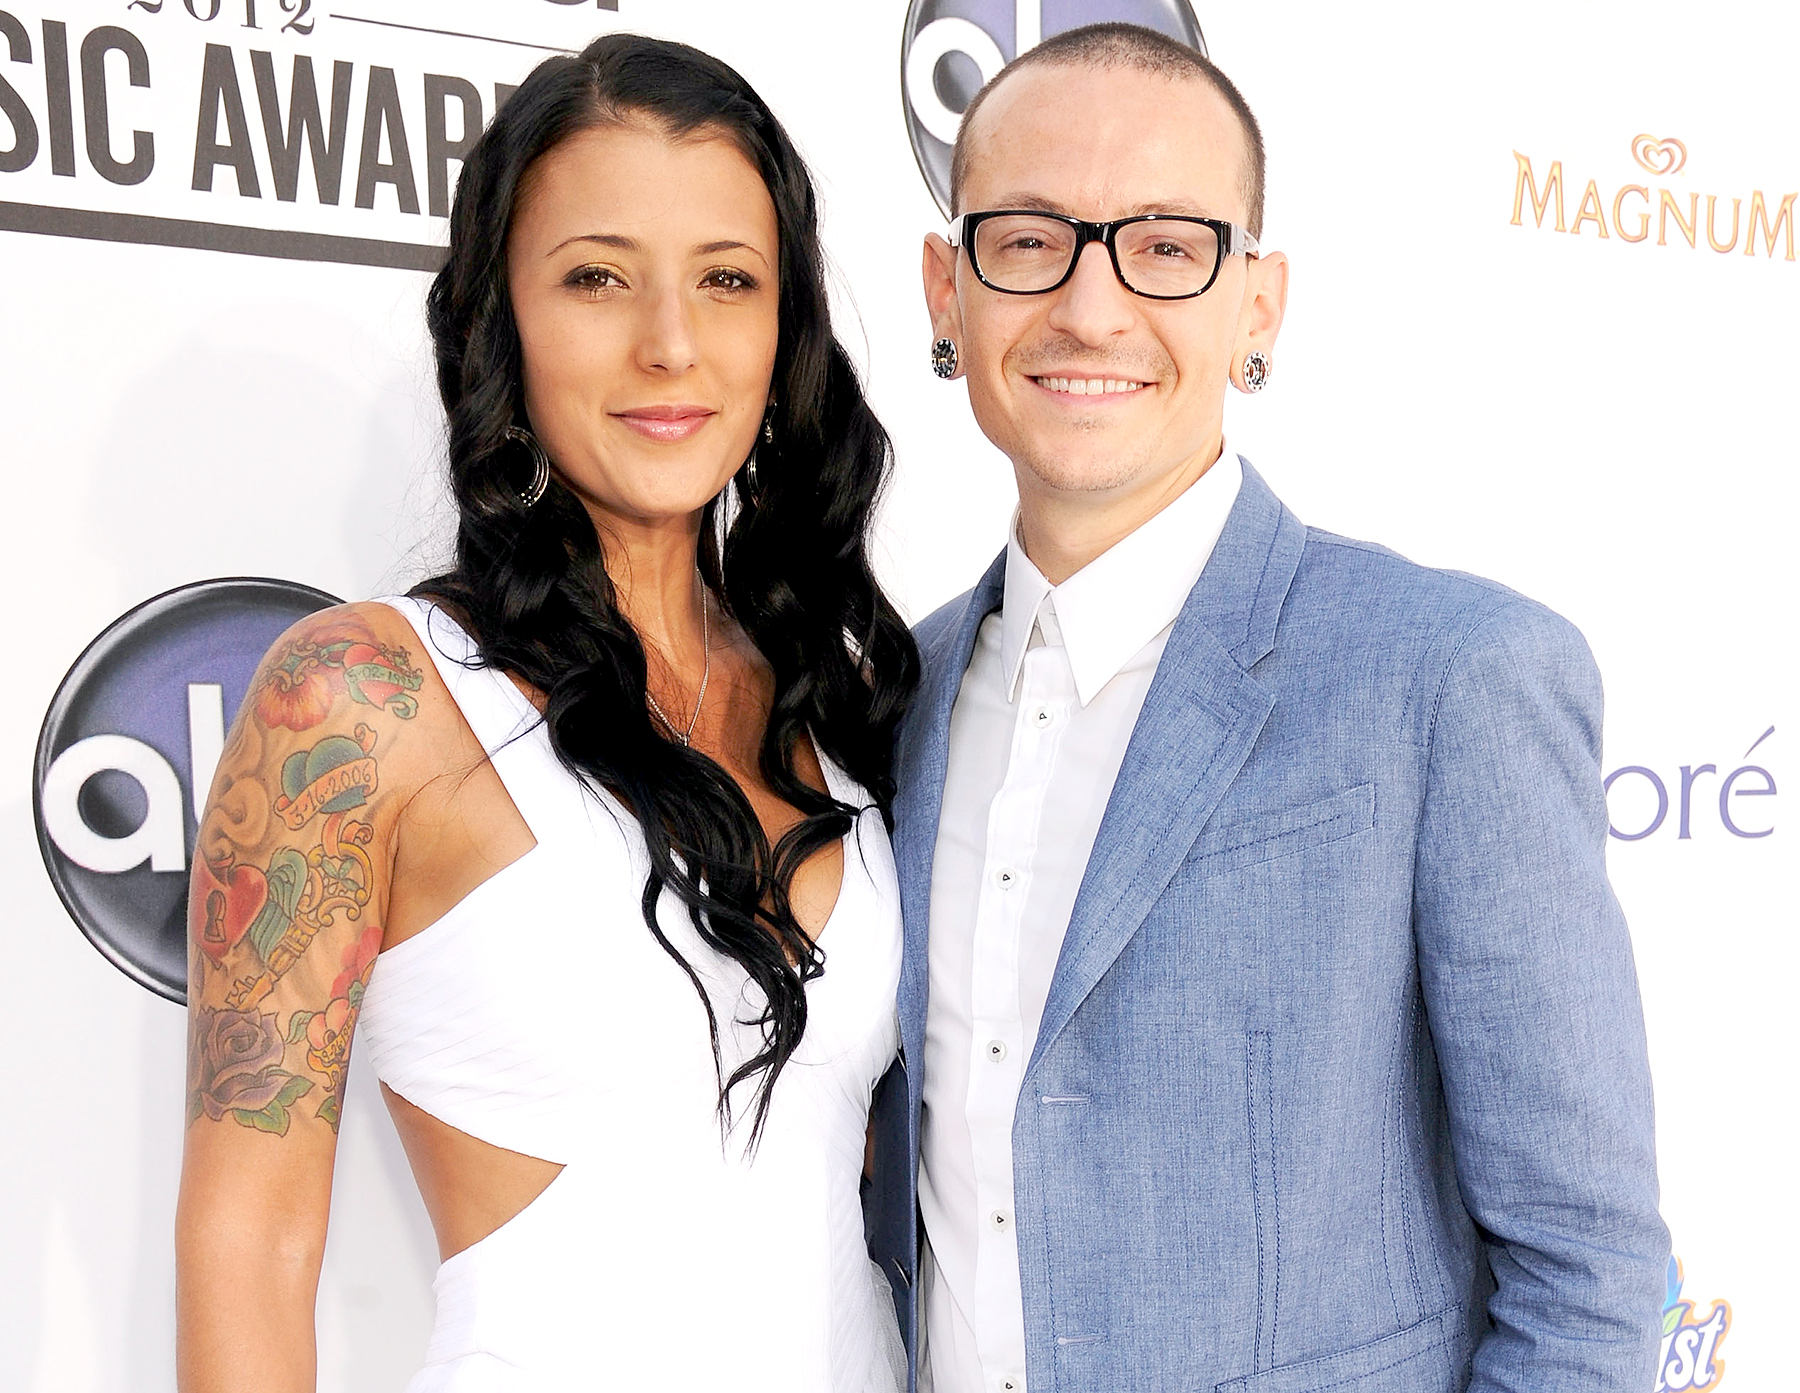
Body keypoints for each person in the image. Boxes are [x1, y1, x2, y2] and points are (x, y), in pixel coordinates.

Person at [865, 22, 1669, 1393]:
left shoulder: (1450, 676)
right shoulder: (888, 695)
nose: (1092, 307)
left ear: (1258, 307)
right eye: (1028, 241)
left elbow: (1588, 1279)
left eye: (1168, 247)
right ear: (949, 291)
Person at [176, 34, 916, 1392]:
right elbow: (252, 1243)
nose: (670, 343)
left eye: (727, 281)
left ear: (784, 327)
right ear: (497, 317)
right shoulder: (363, 703)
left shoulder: (840, 702)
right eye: (596, 278)